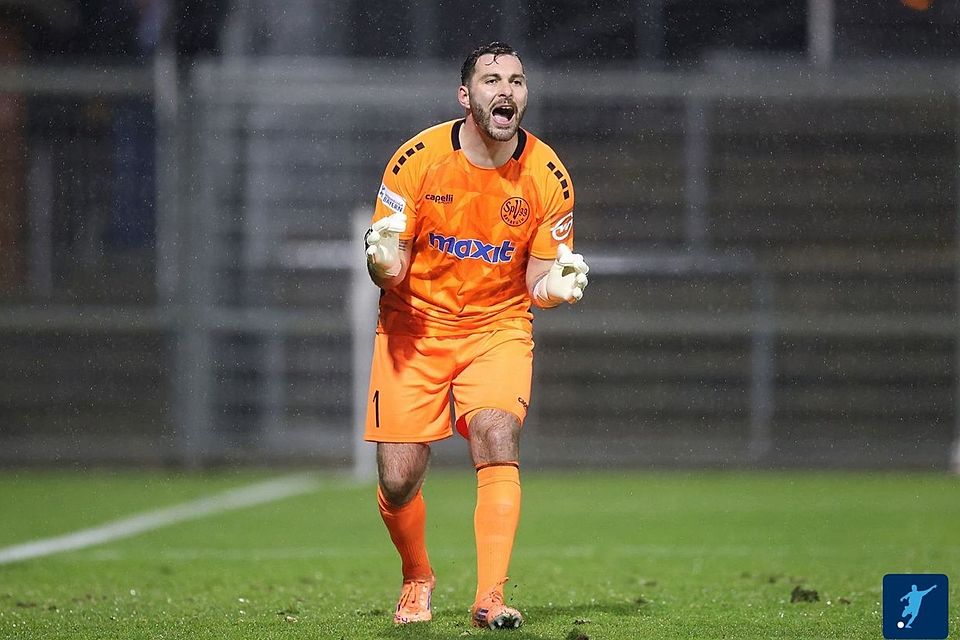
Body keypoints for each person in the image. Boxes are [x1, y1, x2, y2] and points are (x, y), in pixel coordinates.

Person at [362, 41, 589, 630]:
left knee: (495, 431)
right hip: (414, 326)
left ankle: (491, 596)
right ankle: (417, 576)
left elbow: (539, 275)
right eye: (491, 80)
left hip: (497, 326)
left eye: (516, 80)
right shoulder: (415, 161)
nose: (505, 90)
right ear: (467, 96)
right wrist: (383, 261)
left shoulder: (548, 175)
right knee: (398, 477)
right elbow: (390, 264)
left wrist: (554, 288)